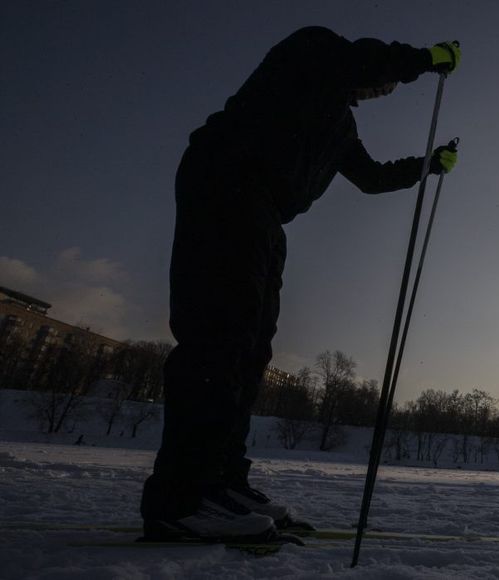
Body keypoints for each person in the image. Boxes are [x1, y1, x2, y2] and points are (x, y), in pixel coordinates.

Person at [140, 27, 461, 542]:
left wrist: (426, 167)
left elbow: (371, 177)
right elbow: (362, 62)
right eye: (382, 82)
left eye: (385, 89)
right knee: (220, 337)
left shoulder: (340, 127)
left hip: (268, 214)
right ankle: (182, 496)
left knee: (251, 347)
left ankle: (221, 479)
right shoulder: (313, 53)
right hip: (225, 182)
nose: (382, 90)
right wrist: (424, 60)